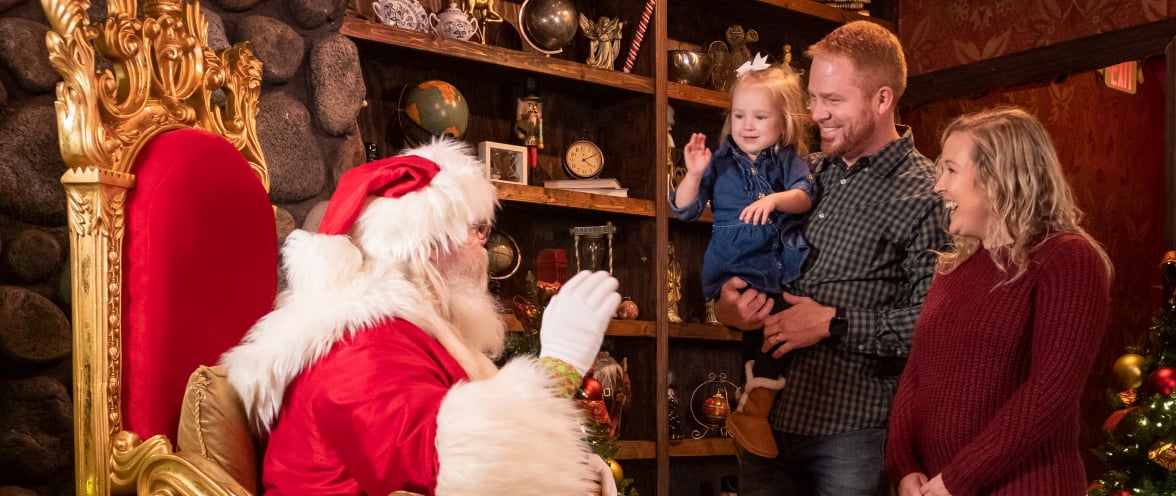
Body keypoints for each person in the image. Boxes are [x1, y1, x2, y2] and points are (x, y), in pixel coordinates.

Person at [221, 138, 621, 495]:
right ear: (423, 245)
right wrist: (559, 366)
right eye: (476, 229)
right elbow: (457, 471)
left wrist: (573, 468)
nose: (483, 247)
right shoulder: (359, 348)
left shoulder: (404, 334)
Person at [712, 21, 949, 495]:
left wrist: (833, 323)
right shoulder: (800, 174)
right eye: (814, 98)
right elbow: (741, 266)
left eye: (834, 100)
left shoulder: (929, 194)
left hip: (854, 436)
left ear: (882, 99)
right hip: (765, 431)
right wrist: (728, 307)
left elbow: (935, 325)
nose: (817, 113)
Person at [885, 107, 1112, 496]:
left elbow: (1051, 392)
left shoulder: (1067, 257)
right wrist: (905, 467)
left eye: (951, 170)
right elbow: (916, 373)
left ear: (998, 177)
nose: (938, 186)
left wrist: (958, 479)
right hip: (934, 486)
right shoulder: (953, 266)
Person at [670, 53, 813, 459]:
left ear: (784, 122)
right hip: (734, 266)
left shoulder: (787, 160)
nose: (747, 126)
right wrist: (694, 173)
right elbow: (684, 209)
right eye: (739, 116)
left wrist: (775, 200)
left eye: (760, 117)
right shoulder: (719, 163)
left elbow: (804, 197)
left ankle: (751, 409)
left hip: (774, 266)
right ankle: (754, 410)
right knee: (768, 326)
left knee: (768, 332)